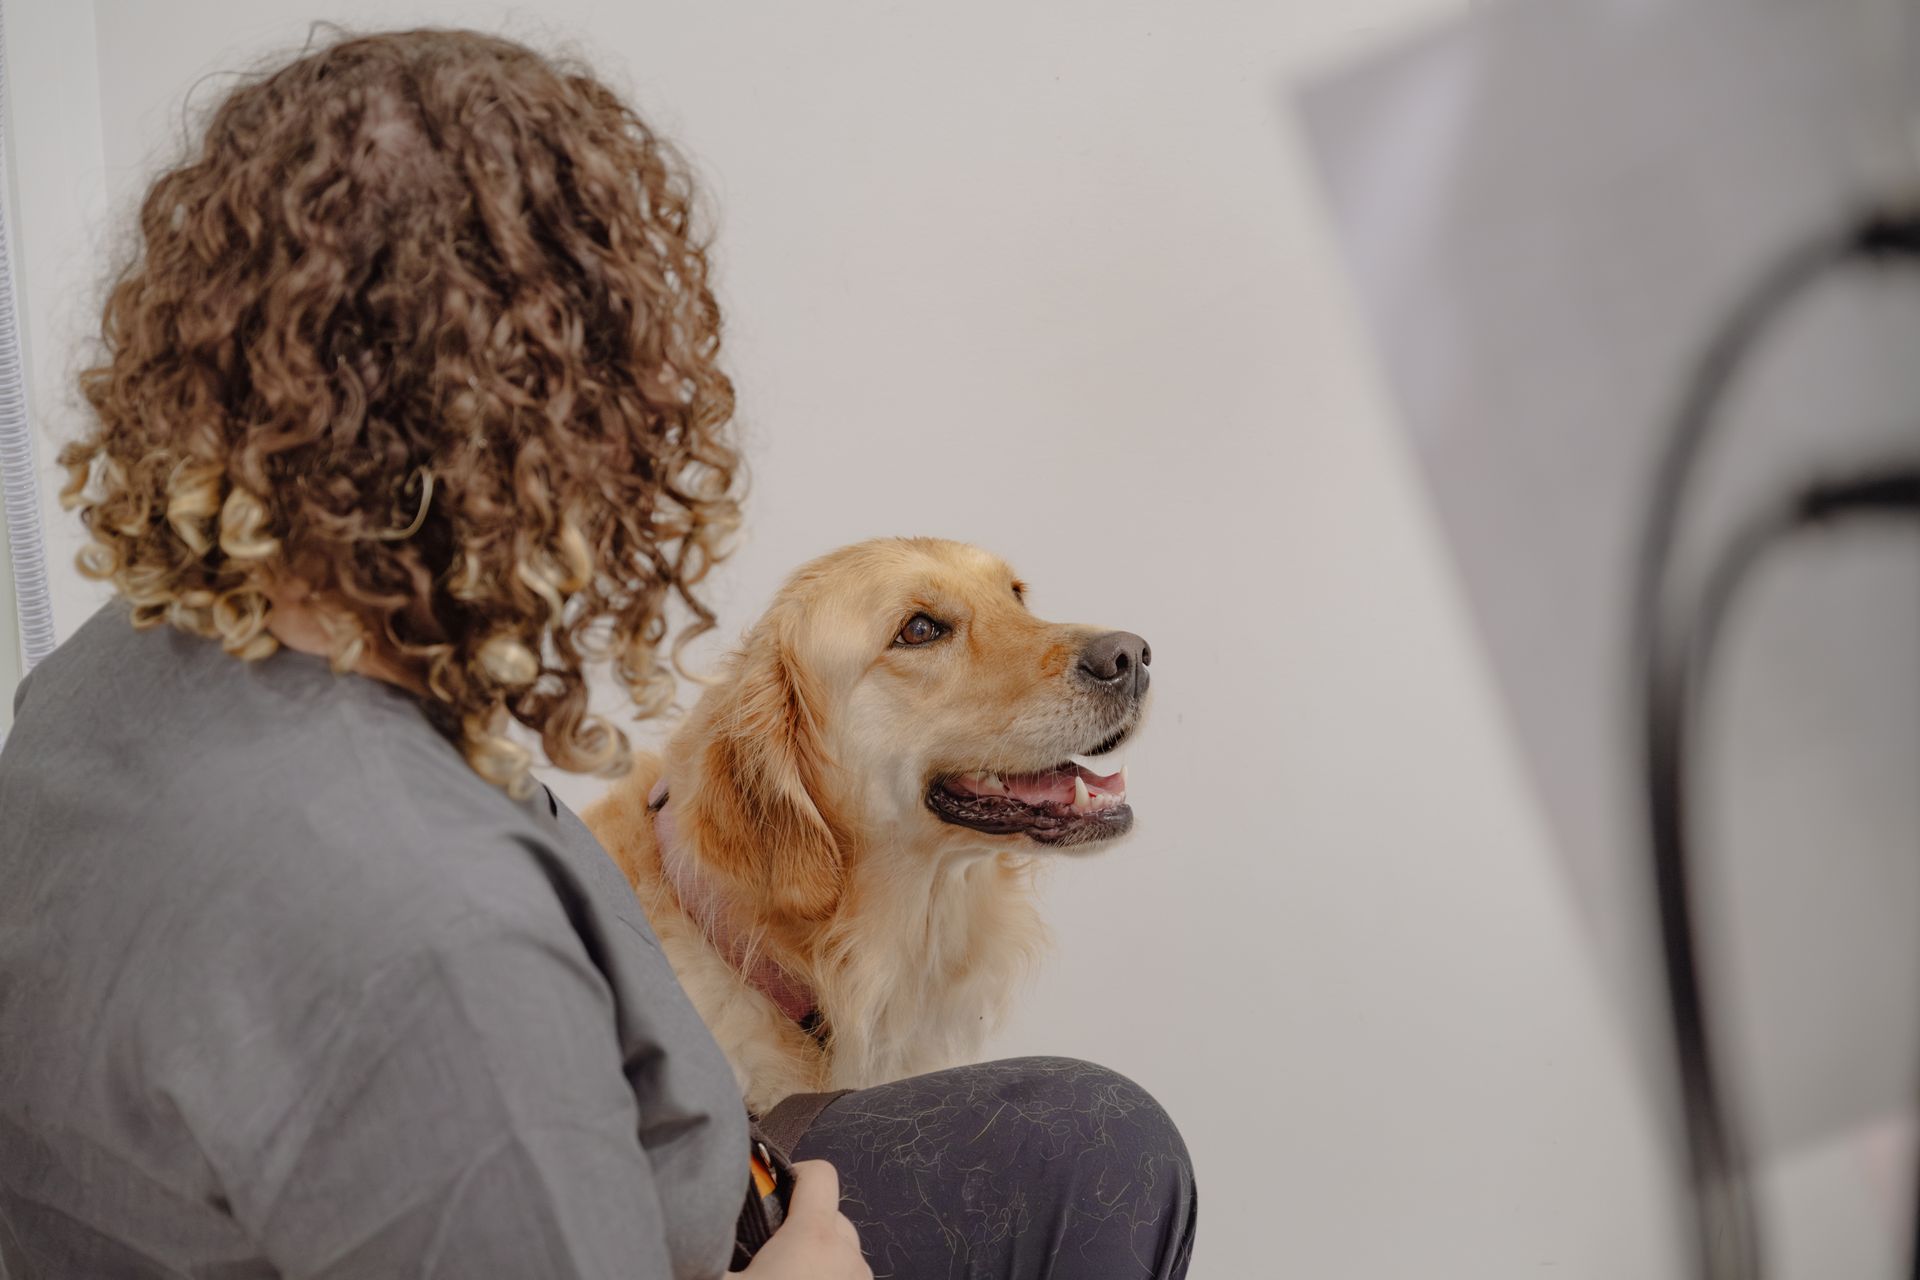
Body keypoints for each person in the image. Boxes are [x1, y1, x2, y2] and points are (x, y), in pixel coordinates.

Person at [0, 26, 1195, 1280]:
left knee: (1095, 1137)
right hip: (684, 1232)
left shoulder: (105, 676)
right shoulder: (438, 951)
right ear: (553, 417)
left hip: (663, 1152)